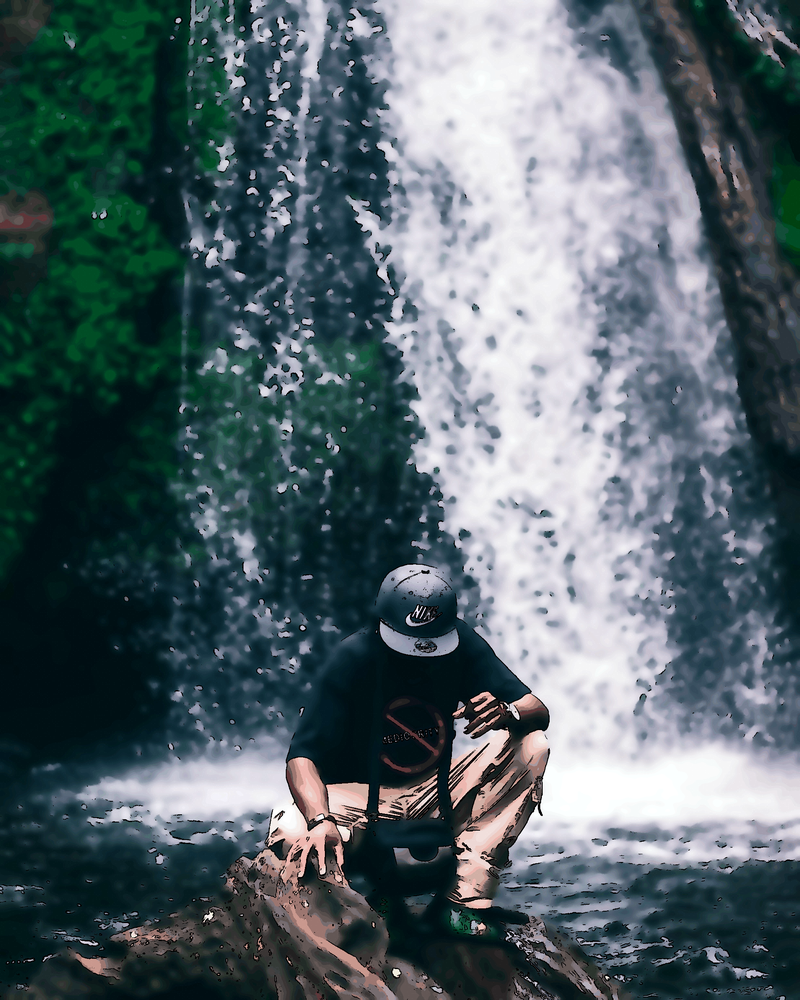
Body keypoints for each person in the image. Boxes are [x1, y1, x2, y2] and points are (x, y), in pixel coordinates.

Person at [267, 563, 550, 938]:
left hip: (436, 793)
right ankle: (344, 908)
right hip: (358, 799)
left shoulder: (463, 645)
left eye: (432, 644)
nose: (421, 654)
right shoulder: (353, 657)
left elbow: (538, 709)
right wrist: (321, 820)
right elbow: (301, 757)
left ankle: (462, 902)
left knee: (533, 744)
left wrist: (507, 710)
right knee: (288, 829)